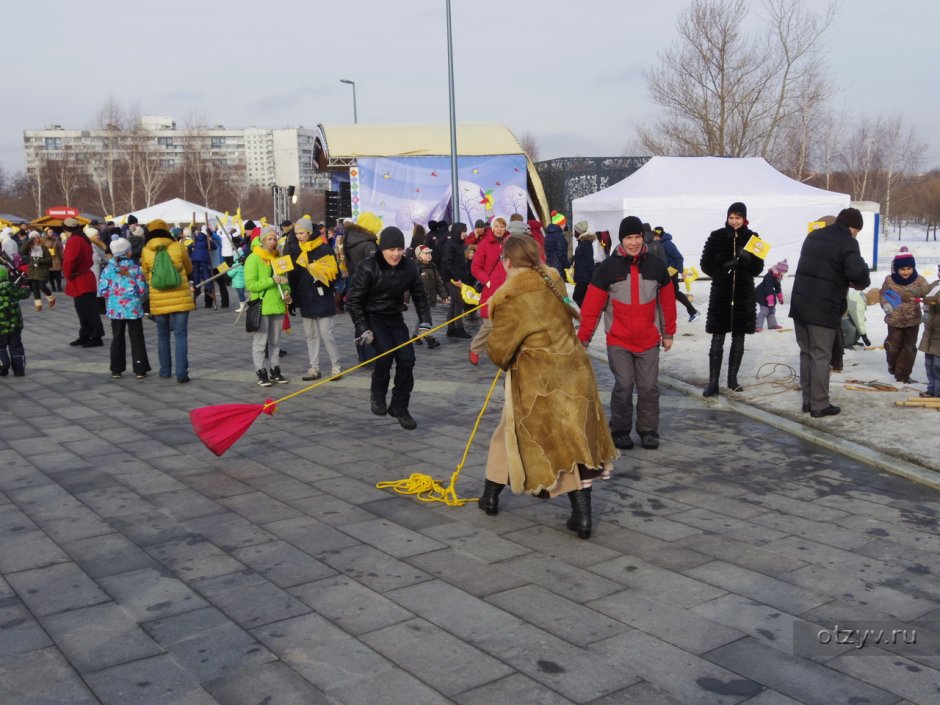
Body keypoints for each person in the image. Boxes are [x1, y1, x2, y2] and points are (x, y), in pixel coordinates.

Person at [479, 234, 618, 539]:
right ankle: (492, 496)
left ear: (507, 262)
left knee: (552, 442)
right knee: (574, 439)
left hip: (537, 381)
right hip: (574, 371)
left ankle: (579, 516)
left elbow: (499, 351)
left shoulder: (508, 295)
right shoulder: (553, 278)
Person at [578, 216, 677, 451]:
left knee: (649, 387)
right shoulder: (608, 268)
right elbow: (592, 307)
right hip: (618, 339)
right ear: (621, 239)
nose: (633, 242)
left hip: (648, 339)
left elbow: (667, 302)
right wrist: (583, 337)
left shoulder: (656, 266)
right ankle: (620, 430)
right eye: (628, 238)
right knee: (624, 384)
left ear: (643, 238)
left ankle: (648, 430)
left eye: (637, 237)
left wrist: (668, 332)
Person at [345, 226, 432, 430]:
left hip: (394, 316)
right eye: (391, 249)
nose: (396, 254)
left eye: (400, 249)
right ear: (382, 248)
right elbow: (354, 301)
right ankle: (378, 394)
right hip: (372, 316)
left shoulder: (409, 267)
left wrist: (425, 321)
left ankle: (400, 406)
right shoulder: (368, 267)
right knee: (384, 354)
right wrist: (362, 328)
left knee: (407, 358)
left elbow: (420, 296)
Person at [789, 208, 871, 417]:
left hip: (800, 304)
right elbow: (857, 274)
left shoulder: (814, 235)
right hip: (823, 308)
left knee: (806, 353)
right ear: (853, 227)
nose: (856, 235)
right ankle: (820, 404)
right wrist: (861, 276)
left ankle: (808, 401)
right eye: (857, 231)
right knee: (821, 355)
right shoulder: (847, 241)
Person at [699, 202, 765, 395]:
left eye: (738, 217)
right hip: (722, 292)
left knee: (739, 336)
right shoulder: (716, 236)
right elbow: (705, 264)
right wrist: (723, 267)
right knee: (718, 336)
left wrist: (748, 260)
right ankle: (713, 382)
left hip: (743, 293)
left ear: (744, 219)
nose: (734, 221)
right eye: (731, 217)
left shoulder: (754, 238)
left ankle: (732, 379)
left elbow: (758, 268)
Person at [286, 216, 342, 381]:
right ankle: (314, 367)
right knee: (311, 335)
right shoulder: (296, 251)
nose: (298, 236)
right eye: (296, 233)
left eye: (301, 233)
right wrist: (293, 300)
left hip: (323, 297)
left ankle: (336, 365)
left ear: (310, 232)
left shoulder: (325, 249)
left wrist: (321, 273)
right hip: (305, 298)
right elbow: (293, 277)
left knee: (326, 333)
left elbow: (336, 275)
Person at [140, 219, 195, 383]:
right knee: (181, 335)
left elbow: (145, 273)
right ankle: (182, 373)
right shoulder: (178, 246)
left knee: (162, 335)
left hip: (158, 298)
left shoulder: (146, 250)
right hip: (180, 296)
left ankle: (165, 371)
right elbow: (189, 268)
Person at [879, 247, 935, 384]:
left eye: (909, 268)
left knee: (909, 348)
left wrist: (926, 311)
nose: (906, 272)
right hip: (894, 319)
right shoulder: (890, 280)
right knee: (893, 345)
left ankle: (903, 375)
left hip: (913, 319)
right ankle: (892, 363)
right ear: (896, 269)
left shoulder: (920, 281)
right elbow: (883, 294)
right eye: (902, 269)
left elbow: (927, 297)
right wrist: (885, 304)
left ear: (913, 268)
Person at [245, 226, 292, 387]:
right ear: (263, 240)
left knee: (275, 341)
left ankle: (275, 369)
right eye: (270, 239)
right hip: (262, 305)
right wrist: (272, 280)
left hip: (277, 305)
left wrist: (286, 291)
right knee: (260, 341)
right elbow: (251, 285)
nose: (273, 242)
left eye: (274, 239)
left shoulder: (279, 258)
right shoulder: (253, 258)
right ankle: (260, 370)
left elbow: (284, 280)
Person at [98, 238, 151, 379]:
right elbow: (142, 289)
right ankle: (140, 368)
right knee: (137, 338)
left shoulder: (108, 269)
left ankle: (116, 369)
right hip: (133, 308)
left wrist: (115, 295)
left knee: (117, 337)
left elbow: (103, 291)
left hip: (115, 309)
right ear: (128, 253)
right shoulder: (135, 268)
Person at [468, 216, 509, 365]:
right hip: (491, 290)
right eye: (497, 226)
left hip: (508, 290)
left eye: (502, 226)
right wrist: (488, 281)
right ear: (492, 227)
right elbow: (475, 267)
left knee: (507, 323)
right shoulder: (485, 244)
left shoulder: (510, 243)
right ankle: (475, 349)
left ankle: (504, 353)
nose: (499, 229)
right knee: (489, 324)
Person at [61, 217, 106, 348]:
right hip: (85, 277)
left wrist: (68, 275)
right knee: (85, 310)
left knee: (87, 311)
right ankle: (86, 334)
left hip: (80, 279)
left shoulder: (74, 240)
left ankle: (95, 336)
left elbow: (69, 261)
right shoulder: (82, 238)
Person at [653, 226, 699, 322]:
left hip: (672, 272)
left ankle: (693, 311)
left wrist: (681, 271)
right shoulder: (660, 244)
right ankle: (692, 311)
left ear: (659, 235)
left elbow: (679, 257)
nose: (654, 238)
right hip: (666, 272)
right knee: (671, 293)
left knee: (675, 293)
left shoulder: (668, 244)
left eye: (655, 236)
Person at [438, 222, 472, 339]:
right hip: (451, 279)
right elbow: (448, 263)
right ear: (458, 232)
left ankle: (451, 328)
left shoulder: (459, 244)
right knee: (459, 302)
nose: (465, 233)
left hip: (456, 278)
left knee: (454, 302)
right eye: (463, 231)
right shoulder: (450, 245)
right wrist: (456, 278)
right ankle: (459, 328)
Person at [412, 245, 447, 349]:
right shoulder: (416, 267)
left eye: (429, 253)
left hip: (431, 296)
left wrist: (444, 295)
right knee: (427, 318)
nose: (428, 255)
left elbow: (438, 282)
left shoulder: (433, 266)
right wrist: (404, 300)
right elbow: (410, 284)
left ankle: (416, 336)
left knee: (422, 317)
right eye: (425, 253)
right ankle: (429, 338)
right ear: (419, 256)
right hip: (421, 297)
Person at [0, 264, 31, 376]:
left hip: (1, 328)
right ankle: (19, 370)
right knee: (16, 347)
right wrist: (24, 286)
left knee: (0, 346)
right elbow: (25, 293)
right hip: (15, 326)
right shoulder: (12, 288)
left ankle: (4, 363)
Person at [20, 230, 55, 311]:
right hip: (32, 270)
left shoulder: (44, 248)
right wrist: (28, 242)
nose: (36, 239)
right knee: (35, 288)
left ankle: (51, 297)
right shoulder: (29, 248)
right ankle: (38, 305)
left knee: (42, 286)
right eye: (34, 238)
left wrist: (40, 261)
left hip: (42, 270)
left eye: (37, 237)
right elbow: (21, 252)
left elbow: (49, 260)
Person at [918, 275, 940, 397]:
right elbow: (922, 290)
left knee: (938, 366)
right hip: (930, 333)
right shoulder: (936, 285)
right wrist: (909, 292)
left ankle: (938, 392)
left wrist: (936, 300)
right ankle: (932, 389)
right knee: (929, 364)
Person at [754, 259, 789, 331]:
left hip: (769, 293)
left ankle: (772, 325)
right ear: (779, 270)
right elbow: (768, 288)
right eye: (784, 272)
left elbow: (777, 287)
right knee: (764, 311)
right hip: (762, 293)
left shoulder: (778, 276)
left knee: (772, 310)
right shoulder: (769, 276)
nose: (784, 274)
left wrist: (780, 297)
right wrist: (770, 300)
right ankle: (757, 326)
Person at [571, 220, 596, 307]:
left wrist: (593, 276)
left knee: (576, 296)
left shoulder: (586, 244)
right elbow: (582, 258)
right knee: (583, 297)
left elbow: (590, 260)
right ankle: (587, 314)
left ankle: (585, 314)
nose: (574, 233)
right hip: (581, 275)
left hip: (584, 277)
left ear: (579, 232)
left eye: (575, 231)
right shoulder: (582, 243)